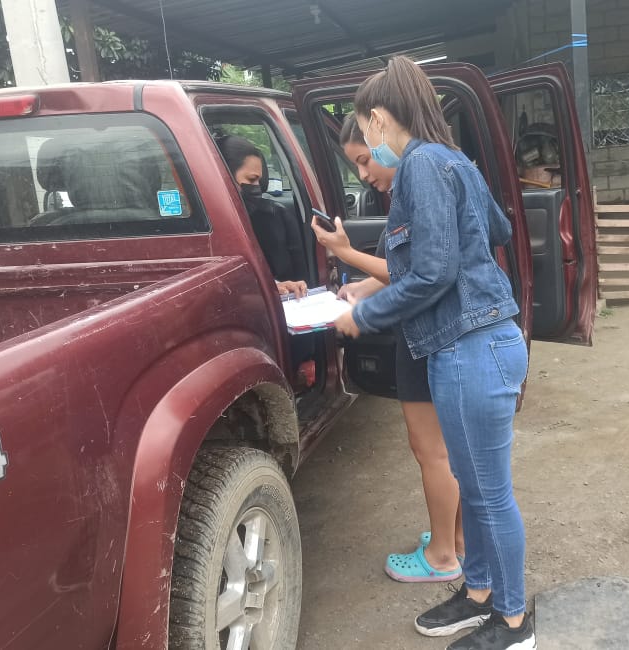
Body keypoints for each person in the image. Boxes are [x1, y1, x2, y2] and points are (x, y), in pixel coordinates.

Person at [333, 57, 535, 650]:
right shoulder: (453, 160)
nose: (367, 148)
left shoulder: (421, 164)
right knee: (473, 488)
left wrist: (361, 316)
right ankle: (478, 594)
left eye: (364, 132)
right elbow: (497, 230)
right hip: (471, 344)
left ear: (377, 119)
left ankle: (514, 623)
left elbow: (433, 273)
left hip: (472, 347)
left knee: (489, 494)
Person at [310, 115, 465, 583]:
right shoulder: (428, 180)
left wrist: (344, 253)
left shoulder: (419, 184)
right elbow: (406, 265)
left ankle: (441, 556)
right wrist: (362, 287)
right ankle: (456, 540)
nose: (363, 174)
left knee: (431, 450)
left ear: (382, 138)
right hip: (433, 329)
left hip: (425, 332)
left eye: (364, 160)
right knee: (447, 450)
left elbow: (419, 273)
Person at [217, 134, 307, 298]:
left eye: (259, 180)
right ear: (224, 177)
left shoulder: (270, 219)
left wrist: (276, 285)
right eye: (251, 179)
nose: (257, 187)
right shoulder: (202, 227)